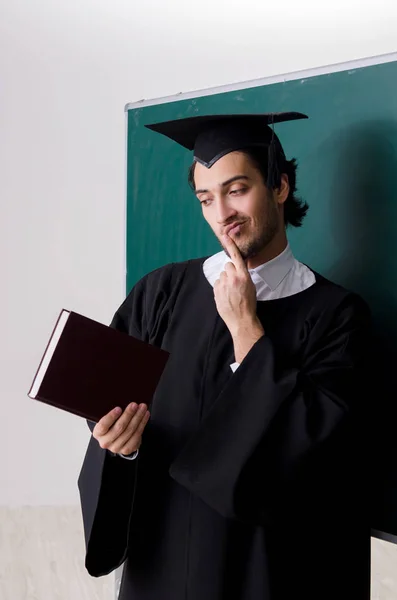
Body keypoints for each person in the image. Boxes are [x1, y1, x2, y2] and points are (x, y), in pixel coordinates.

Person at [78, 113, 371, 600]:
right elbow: (111, 408)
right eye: (206, 199)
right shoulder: (162, 292)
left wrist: (245, 328)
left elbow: (312, 460)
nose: (222, 214)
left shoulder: (336, 316)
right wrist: (119, 442)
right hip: (163, 564)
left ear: (279, 186)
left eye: (237, 190)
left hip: (269, 572)